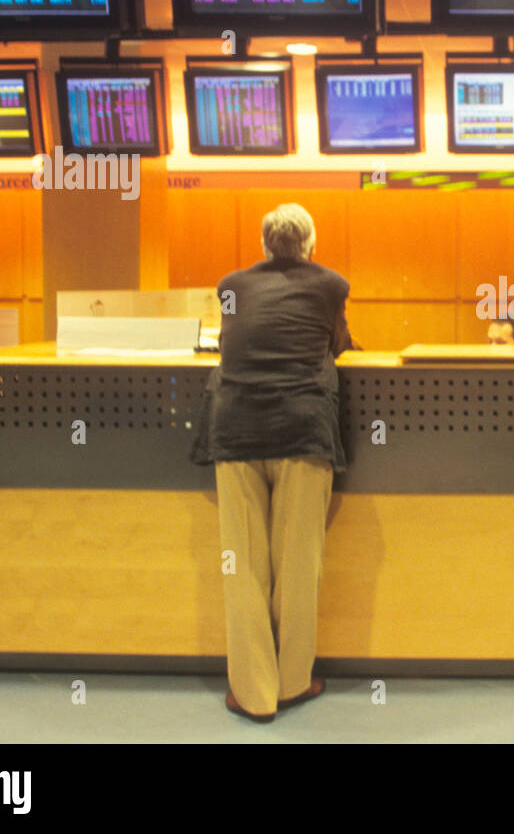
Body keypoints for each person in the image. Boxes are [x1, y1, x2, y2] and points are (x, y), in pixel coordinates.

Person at [192, 203, 355, 723]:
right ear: (311, 245)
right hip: (302, 432)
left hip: (236, 430)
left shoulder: (231, 285)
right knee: (299, 564)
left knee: (241, 567)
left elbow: (232, 344)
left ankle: (253, 693)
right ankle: (292, 682)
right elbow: (338, 345)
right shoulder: (331, 285)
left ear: (264, 246)